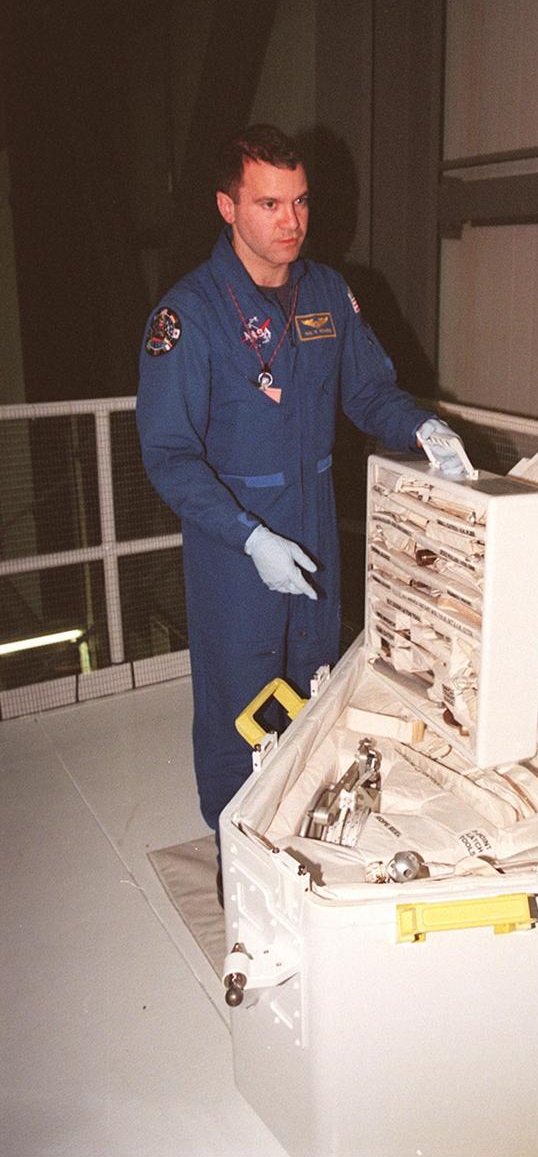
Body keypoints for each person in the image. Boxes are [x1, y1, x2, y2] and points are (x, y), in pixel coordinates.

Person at [136, 123, 467, 894]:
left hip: (314, 526)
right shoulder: (189, 316)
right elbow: (169, 455)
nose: (291, 220)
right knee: (240, 711)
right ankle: (238, 871)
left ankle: (301, 849)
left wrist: (420, 425)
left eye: (301, 201)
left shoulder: (325, 294)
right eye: (268, 203)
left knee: (317, 696)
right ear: (227, 206)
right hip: (234, 550)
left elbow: (367, 390)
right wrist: (247, 538)